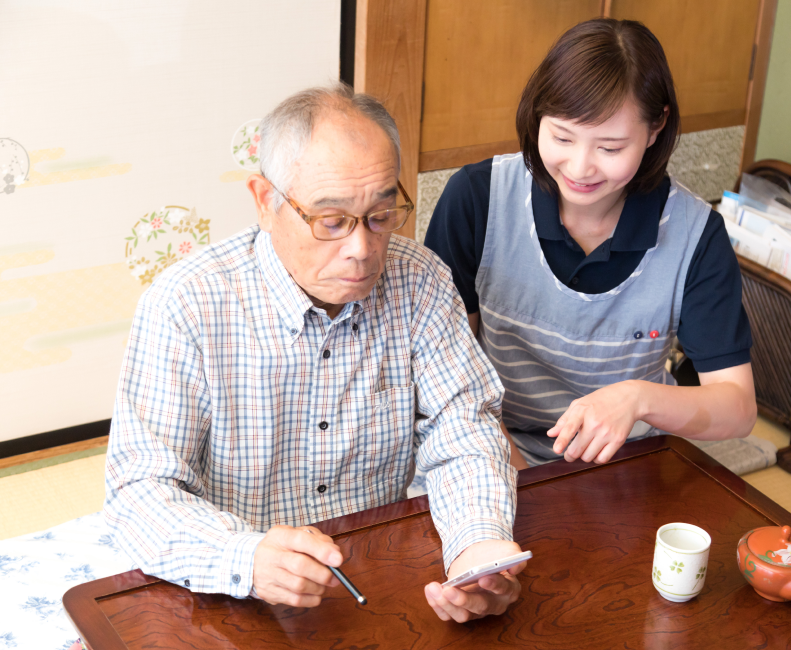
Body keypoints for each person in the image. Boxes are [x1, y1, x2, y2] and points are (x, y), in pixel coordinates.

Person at [104, 83, 523, 623]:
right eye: (331, 221)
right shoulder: (187, 303)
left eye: (380, 214)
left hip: (382, 575)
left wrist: (477, 545)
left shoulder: (419, 280)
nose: (362, 249)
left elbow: (463, 429)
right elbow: (139, 492)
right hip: (231, 593)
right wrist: (244, 557)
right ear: (265, 200)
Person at [424, 18, 757, 469]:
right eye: (561, 137)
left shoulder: (695, 235)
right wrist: (520, 479)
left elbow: (737, 409)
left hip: (623, 461)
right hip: (489, 449)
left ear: (655, 127)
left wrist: (636, 399)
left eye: (611, 147)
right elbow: (442, 379)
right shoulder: (477, 200)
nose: (580, 168)